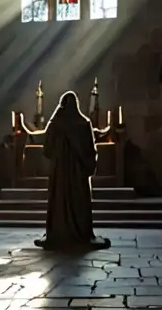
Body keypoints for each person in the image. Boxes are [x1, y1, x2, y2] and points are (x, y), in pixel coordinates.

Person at [25, 91, 110, 251]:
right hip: (78, 175)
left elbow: (47, 150)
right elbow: (90, 151)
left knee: (60, 200)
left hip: (59, 175)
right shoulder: (84, 123)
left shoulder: (55, 123)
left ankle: (58, 233)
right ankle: (80, 233)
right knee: (78, 201)